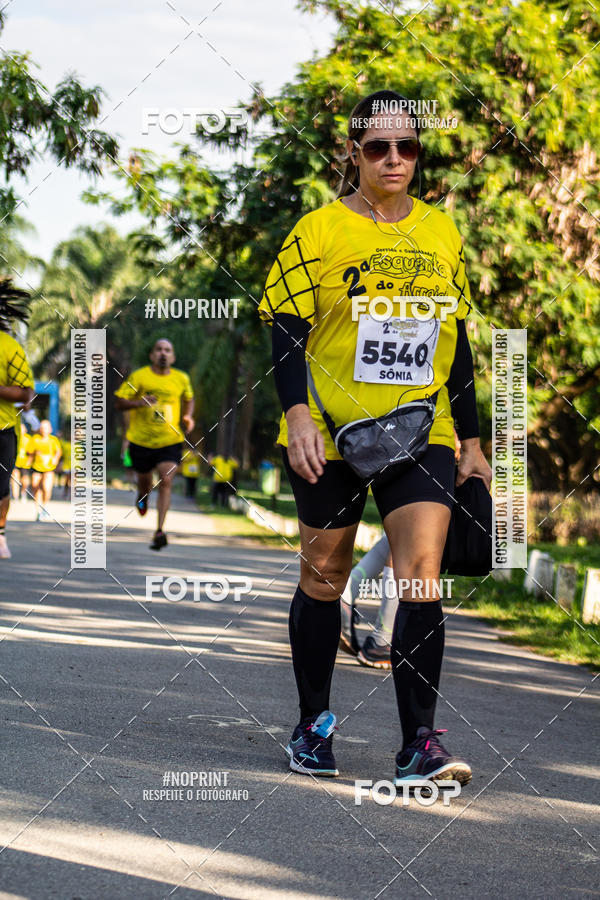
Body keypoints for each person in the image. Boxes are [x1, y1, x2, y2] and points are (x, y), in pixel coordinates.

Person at [258, 89, 492, 785]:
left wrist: (474, 440)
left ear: (419, 154)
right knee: (323, 575)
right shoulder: (320, 231)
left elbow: (460, 343)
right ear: (353, 153)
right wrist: (298, 413)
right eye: (378, 147)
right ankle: (313, 724)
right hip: (331, 430)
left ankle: (419, 743)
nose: (395, 159)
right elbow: (286, 328)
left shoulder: (442, 232)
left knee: (420, 577)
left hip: (425, 429)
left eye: (408, 147)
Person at [114, 338, 194, 550]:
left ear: (173, 356)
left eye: (167, 350)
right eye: (158, 349)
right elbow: (119, 401)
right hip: (141, 441)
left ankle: (160, 530)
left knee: (166, 480)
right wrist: (139, 402)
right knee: (145, 482)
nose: (163, 353)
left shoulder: (181, 378)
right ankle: (142, 495)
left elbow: (189, 398)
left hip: (170, 441)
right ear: (152, 355)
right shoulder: (139, 376)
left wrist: (188, 416)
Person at [0, 323, 34, 556]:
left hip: (3, 429)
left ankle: (0, 533)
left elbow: (25, 392)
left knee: (0, 489)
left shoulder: (8, 345)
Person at [28, 420, 62, 521]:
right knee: (35, 487)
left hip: (49, 468)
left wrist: (55, 459)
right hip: (36, 467)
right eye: (42, 427)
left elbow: (58, 452)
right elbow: (30, 452)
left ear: (50, 429)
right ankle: (38, 511)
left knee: (46, 489)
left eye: (46, 427)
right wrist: (30, 460)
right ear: (40, 429)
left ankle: (45, 507)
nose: (44, 429)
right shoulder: (35, 439)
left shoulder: (53, 440)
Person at [11, 422, 32, 501]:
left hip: (25, 463)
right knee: (15, 478)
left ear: (25, 430)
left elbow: (31, 452)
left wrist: (29, 461)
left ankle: (23, 493)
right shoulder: (14, 437)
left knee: (25, 480)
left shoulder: (28, 439)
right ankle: (15, 496)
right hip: (15, 462)